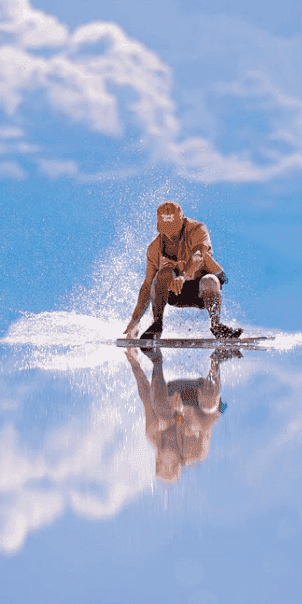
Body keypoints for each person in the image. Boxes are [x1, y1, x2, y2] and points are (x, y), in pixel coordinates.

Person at [123, 201, 242, 340]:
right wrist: (135, 319)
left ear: (182, 221)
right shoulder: (154, 248)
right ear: (158, 227)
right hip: (175, 294)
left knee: (210, 280)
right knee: (163, 274)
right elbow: (147, 285)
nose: (172, 237)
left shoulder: (197, 229)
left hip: (202, 290)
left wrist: (183, 277)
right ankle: (156, 325)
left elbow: (199, 257)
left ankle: (216, 326)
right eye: (167, 231)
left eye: (175, 230)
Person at [124, 345, 238, 481]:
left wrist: (133, 361)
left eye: (165, 465)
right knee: (215, 406)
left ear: (158, 459)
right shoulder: (195, 452)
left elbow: (146, 397)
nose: (172, 464)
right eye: (174, 467)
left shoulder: (153, 433)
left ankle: (156, 357)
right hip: (202, 399)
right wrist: (183, 416)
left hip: (174, 391)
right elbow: (210, 420)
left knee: (162, 412)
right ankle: (216, 358)